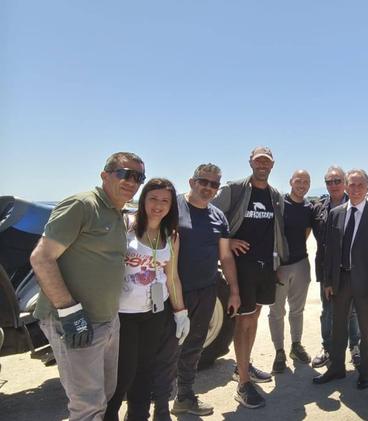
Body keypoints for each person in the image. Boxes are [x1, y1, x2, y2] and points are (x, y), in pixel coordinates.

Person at [30, 152, 145, 421]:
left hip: (108, 320)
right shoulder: (82, 205)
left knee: (105, 394)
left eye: (138, 177)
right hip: (75, 321)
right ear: (105, 175)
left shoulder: (117, 213)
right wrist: (69, 310)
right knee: (87, 404)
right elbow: (41, 258)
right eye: (124, 174)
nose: (131, 181)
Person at [154, 164, 240, 418]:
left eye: (214, 184)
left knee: (194, 347)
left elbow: (225, 257)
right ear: (192, 182)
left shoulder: (218, 217)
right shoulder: (172, 208)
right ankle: (158, 407)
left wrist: (234, 290)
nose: (208, 188)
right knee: (164, 350)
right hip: (172, 292)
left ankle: (184, 397)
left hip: (206, 291)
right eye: (204, 181)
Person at [104, 178, 190, 421]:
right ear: (143, 200)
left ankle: (138, 416)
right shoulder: (125, 225)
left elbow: (172, 277)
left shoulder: (171, 236)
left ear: (171, 206)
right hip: (123, 314)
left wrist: (180, 312)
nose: (158, 205)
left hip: (154, 313)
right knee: (122, 376)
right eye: (153, 198)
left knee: (144, 372)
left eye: (165, 201)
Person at [212, 146, 288, 409]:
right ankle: (243, 383)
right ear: (250, 163)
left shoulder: (274, 195)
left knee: (253, 319)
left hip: (265, 267)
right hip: (241, 268)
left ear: (272, 165)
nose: (262, 165)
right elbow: (210, 216)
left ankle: (242, 366)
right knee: (243, 322)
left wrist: (278, 263)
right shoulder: (234, 190)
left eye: (266, 161)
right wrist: (228, 240)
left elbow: (276, 231)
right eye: (258, 161)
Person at [313, 169, 368, 390]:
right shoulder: (336, 214)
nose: (355, 189)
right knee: (338, 327)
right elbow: (329, 251)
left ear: (367, 187)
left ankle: (365, 371)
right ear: (345, 186)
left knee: (367, 329)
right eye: (351, 185)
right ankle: (337, 368)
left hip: (366, 282)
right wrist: (328, 281)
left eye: (360, 185)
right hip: (340, 280)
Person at [311, 165, 361, 369]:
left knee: (353, 312)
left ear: (345, 183)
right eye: (329, 182)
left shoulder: (355, 205)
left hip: (351, 269)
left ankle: (355, 347)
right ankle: (327, 348)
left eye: (337, 181)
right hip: (326, 269)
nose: (333, 185)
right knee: (328, 311)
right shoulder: (318, 208)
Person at [268, 169, 314, 373]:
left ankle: (296, 346)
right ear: (291, 182)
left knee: (297, 310)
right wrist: (276, 262)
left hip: (301, 264)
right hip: (280, 266)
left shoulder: (308, 208)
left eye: (306, 182)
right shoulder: (279, 204)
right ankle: (279, 352)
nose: (302, 185)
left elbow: (306, 232)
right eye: (298, 181)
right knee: (276, 312)